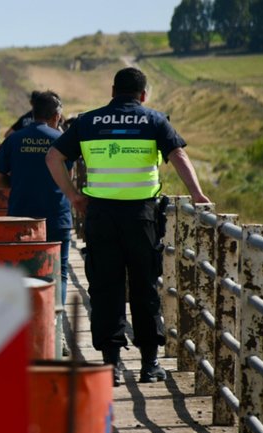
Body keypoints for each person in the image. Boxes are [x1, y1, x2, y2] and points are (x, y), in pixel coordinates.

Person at [45, 67, 211, 386]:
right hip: (142, 216)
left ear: (112, 91)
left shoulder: (89, 121)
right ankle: (149, 364)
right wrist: (197, 194)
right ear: (143, 94)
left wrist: (73, 196)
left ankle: (112, 365)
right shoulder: (154, 119)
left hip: (101, 215)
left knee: (106, 287)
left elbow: (54, 156)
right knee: (144, 285)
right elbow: (177, 154)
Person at [0, 90, 72, 330]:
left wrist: (16, 184)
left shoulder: (14, 140)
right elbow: (70, 177)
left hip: (20, 217)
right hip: (57, 217)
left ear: (33, 113)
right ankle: (54, 332)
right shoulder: (62, 140)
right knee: (59, 273)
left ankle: (24, 329)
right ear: (57, 116)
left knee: (22, 273)